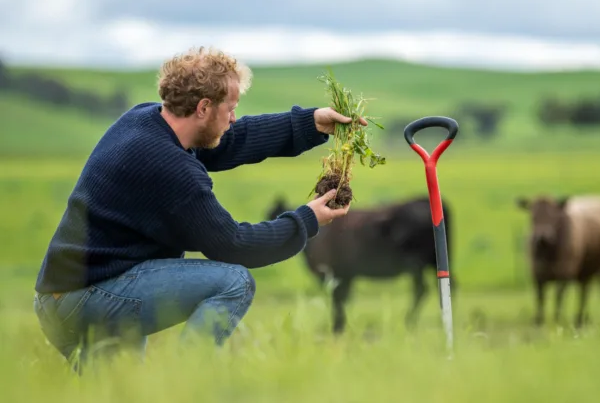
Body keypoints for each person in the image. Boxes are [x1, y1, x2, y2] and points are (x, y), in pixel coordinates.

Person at [32, 46, 360, 370]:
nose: (233, 117)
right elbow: (234, 245)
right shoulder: (170, 168)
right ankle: (185, 382)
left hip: (64, 296)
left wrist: (310, 123)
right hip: (89, 297)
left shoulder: (146, 121)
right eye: (230, 108)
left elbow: (230, 140)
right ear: (203, 107)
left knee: (122, 394)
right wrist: (308, 219)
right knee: (234, 281)